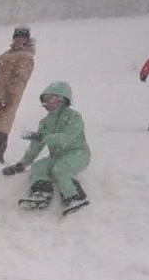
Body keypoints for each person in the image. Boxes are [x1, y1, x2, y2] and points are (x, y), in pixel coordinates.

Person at [8, 81, 91, 215]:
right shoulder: (46, 122)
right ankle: (41, 193)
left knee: (61, 169)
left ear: (62, 99)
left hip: (77, 153)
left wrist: (43, 137)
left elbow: (66, 138)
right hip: (57, 156)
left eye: (49, 99)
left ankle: (75, 197)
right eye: (44, 99)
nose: (46, 103)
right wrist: (21, 164)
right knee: (38, 167)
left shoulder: (74, 118)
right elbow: (36, 147)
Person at [0, 28, 35, 165]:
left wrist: (8, 98)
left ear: (27, 40)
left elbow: (19, 80)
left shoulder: (25, 57)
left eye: (22, 38)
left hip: (7, 96)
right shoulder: (8, 53)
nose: (18, 40)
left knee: (1, 126)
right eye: (17, 37)